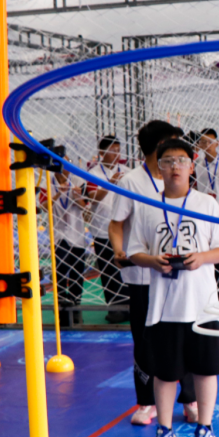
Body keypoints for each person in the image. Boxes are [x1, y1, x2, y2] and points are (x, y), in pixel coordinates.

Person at [127, 138, 219, 437]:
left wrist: (201, 258)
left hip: (202, 305)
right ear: (158, 167)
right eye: (168, 161)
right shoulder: (147, 207)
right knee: (164, 373)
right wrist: (152, 261)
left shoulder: (206, 204)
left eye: (181, 160)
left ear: (192, 165)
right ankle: (164, 430)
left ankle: (205, 428)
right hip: (163, 307)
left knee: (205, 369)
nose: (175, 166)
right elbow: (134, 251)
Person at [109, 120, 197, 427]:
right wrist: (119, 250)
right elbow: (116, 224)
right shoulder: (131, 181)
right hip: (143, 275)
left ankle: (190, 399)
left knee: (185, 334)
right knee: (145, 340)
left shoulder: (179, 176)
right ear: (159, 146)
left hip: (180, 274)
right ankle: (147, 402)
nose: (178, 155)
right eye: (173, 143)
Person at [86, 135, 129, 323]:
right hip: (102, 229)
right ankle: (115, 309)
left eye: (118, 150)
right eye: (112, 151)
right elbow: (93, 198)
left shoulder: (127, 172)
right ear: (102, 152)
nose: (116, 154)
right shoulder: (93, 174)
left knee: (127, 269)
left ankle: (131, 305)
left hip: (125, 229)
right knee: (108, 270)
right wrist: (110, 183)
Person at [40, 167, 88, 326]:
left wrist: (77, 196)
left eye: (67, 164)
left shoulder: (78, 181)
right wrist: (58, 194)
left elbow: (86, 209)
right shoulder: (46, 183)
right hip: (58, 235)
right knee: (60, 271)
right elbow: (44, 207)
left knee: (77, 272)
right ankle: (61, 309)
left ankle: (75, 307)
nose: (64, 168)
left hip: (77, 234)